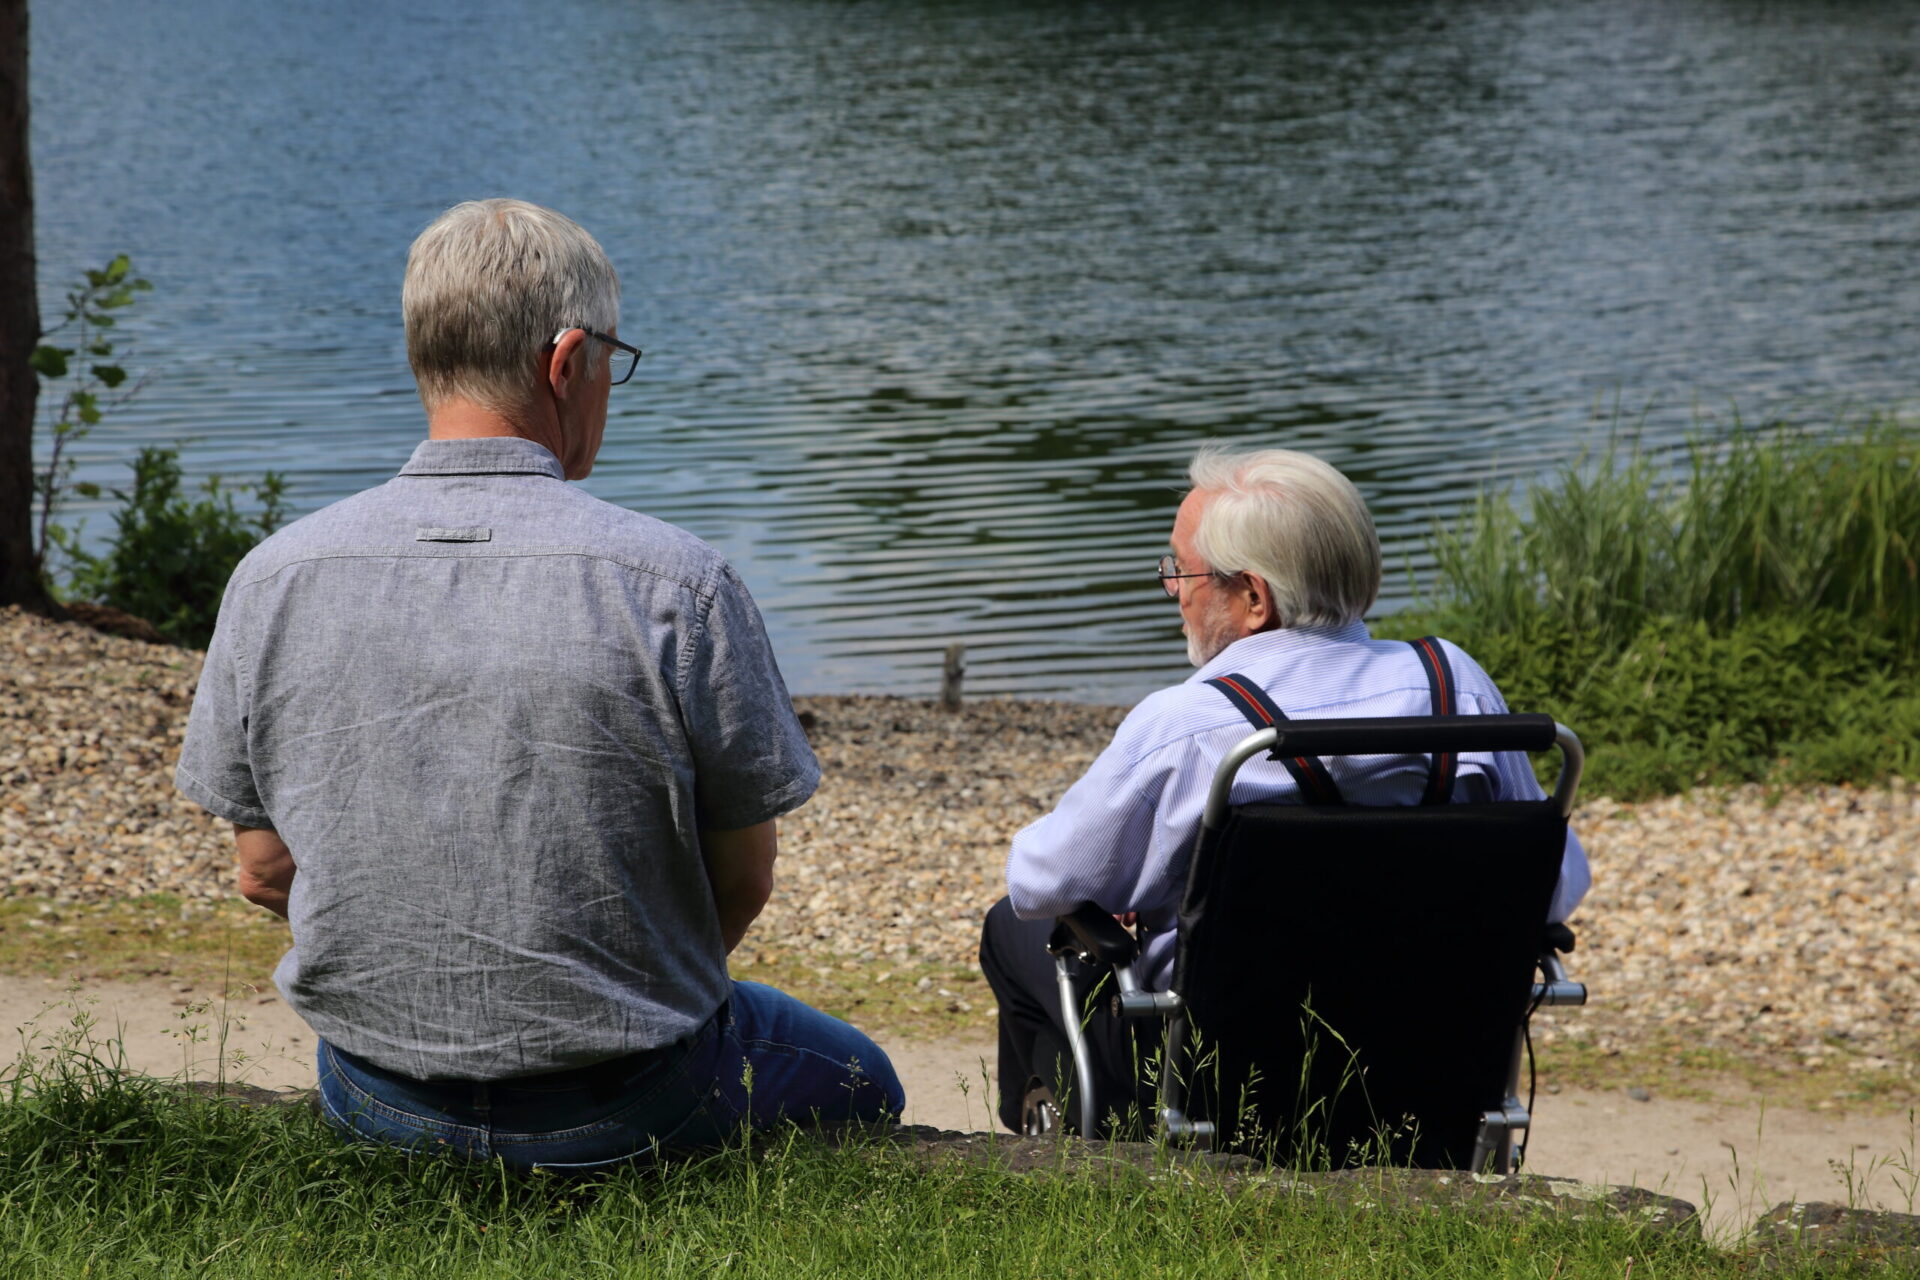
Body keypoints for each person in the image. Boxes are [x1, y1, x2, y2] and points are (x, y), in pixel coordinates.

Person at [176, 198, 902, 1169]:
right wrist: (600, 1002)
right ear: (566, 362)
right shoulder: (678, 584)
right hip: (631, 1100)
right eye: (610, 361)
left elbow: (263, 872)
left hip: (380, 1094)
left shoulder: (275, 577)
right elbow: (744, 876)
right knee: (866, 1077)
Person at [978, 444, 1590, 1135]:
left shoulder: (1192, 726)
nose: (1174, 589)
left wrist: (1133, 889)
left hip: (1222, 1076)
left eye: (1181, 570)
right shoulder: (1455, 687)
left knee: (1010, 928)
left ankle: (1091, 1141)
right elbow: (1553, 887)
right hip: (1429, 1061)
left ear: (1253, 598)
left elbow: (1040, 883)